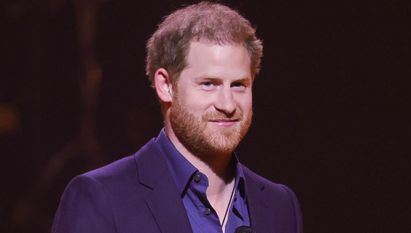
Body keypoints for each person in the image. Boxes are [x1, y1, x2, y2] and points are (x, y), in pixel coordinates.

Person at [51, 2, 303, 233]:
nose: (227, 104)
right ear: (166, 86)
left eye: (238, 85)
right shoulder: (103, 198)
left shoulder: (279, 205)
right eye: (209, 84)